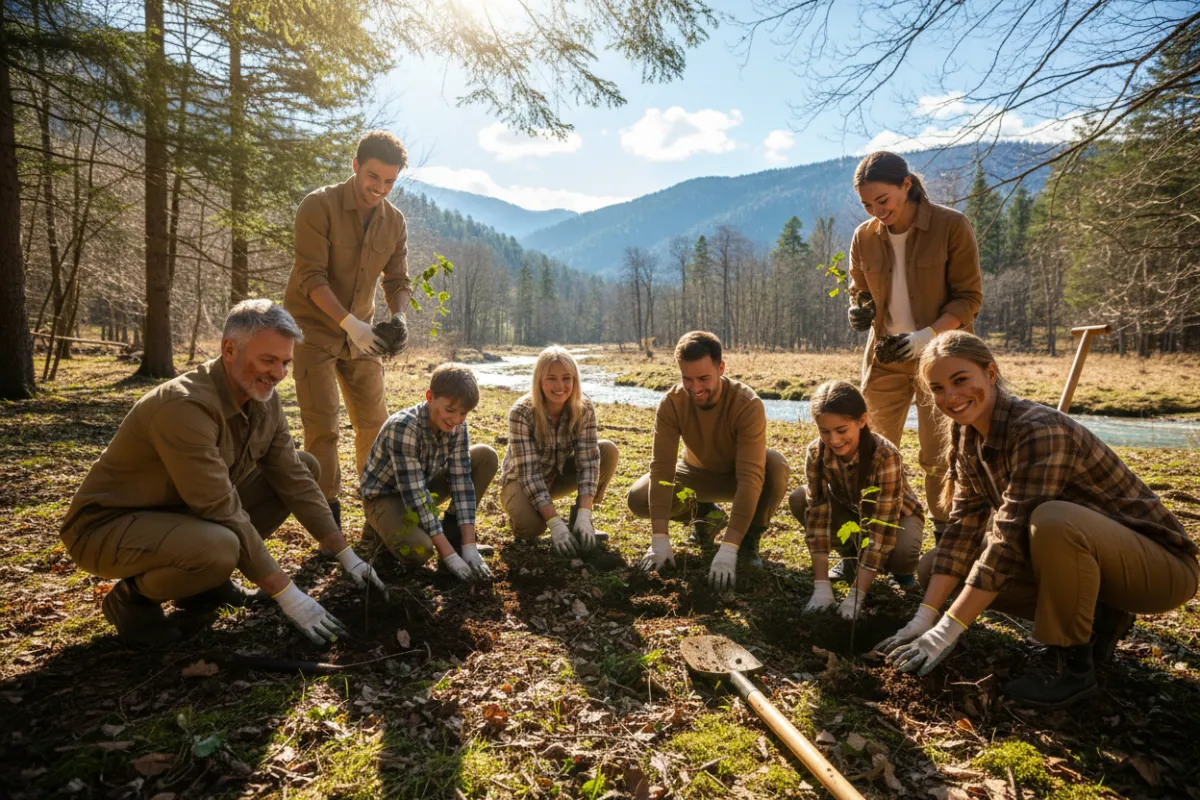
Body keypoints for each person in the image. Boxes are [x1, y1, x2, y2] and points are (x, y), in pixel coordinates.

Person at [877, 332, 1199, 708]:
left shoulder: (1037, 429)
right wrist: (925, 618)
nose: (950, 396)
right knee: (935, 569)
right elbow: (963, 529)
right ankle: (1099, 617)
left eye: (961, 380)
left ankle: (1071, 667)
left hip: (1159, 573)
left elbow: (1008, 538)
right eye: (937, 387)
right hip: (1092, 564)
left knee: (1052, 520)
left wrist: (948, 630)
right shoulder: (967, 437)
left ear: (991, 374)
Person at [59, 300, 386, 648]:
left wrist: (346, 555)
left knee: (305, 465)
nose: (278, 373)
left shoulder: (263, 397)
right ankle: (132, 599)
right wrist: (289, 596)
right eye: (268, 360)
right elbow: (218, 505)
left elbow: (293, 477)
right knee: (219, 548)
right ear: (229, 349)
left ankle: (203, 588)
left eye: (285, 362)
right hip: (108, 527)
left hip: (183, 512)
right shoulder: (184, 405)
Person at [847, 150, 983, 565]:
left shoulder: (951, 226)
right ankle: (864, 544)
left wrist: (929, 334)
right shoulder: (864, 236)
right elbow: (859, 289)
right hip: (885, 357)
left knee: (938, 455)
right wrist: (858, 308)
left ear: (907, 185)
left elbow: (970, 297)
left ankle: (948, 543)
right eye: (868, 205)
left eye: (883, 200)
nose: (877, 211)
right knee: (865, 450)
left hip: (941, 359)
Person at [285, 130, 413, 530]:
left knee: (375, 424)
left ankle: (377, 509)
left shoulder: (394, 222)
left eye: (390, 182)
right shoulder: (318, 206)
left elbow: (397, 280)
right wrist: (349, 324)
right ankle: (328, 519)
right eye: (374, 177)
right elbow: (311, 277)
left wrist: (399, 317)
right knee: (323, 428)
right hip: (314, 332)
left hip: (363, 339)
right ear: (356, 166)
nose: (380, 188)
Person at [628, 331, 790, 590]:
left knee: (776, 466)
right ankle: (705, 514)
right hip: (693, 474)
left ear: (721, 368)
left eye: (704, 378)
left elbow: (750, 478)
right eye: (687, 379)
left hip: (735, 477)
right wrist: (659, 538)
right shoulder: (672, 403)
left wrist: (729, 546)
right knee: (637, 497)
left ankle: (747, 542)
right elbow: (661, 469)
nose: (696, 388)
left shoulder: (747, 403)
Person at [789, 381, 925, 620]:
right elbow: (818, 515)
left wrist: (856, 596)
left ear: (862, 421)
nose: (834, 439)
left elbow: (883, 526)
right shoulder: (816, 453)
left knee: (903, 551)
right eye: (825, 431)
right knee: (800, 498)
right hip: (852, 510)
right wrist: (821, 585)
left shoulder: (885, 455)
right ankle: (850, 561)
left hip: (895, 516)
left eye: (842, 430)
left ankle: (900, 574)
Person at [360, 363, 497, 583]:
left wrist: (468, 546)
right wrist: (449, 556)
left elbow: (461, 481)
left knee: (485, 456)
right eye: (450, 410)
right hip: (387, 496)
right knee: (421, 550)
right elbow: (415, 495)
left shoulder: (457, 425)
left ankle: (452, 536)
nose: (456, 419)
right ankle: (377, 532)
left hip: (425, 482)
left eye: (463, 413)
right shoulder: (404, 427)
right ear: (430, 396)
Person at [500, 347, 620, 555]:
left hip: (557, 475)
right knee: (534, 529)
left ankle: (579, 521)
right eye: (551, 379)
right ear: (540, 380)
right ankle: (528, 517)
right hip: (519, 481)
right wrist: (554, 523)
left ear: (575, 380)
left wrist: (585, 513)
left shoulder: (584, 408)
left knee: (607, 450)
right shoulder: (521, 412)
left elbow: (588, 462)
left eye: (566, 378)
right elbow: (529, 475)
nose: (560, 386)